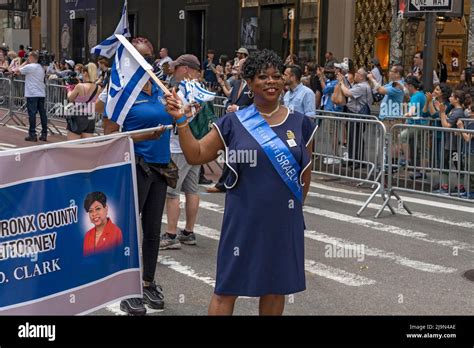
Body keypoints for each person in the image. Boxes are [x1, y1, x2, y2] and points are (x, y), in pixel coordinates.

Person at [165, 49, 316, 315]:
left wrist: (293, 209)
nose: (271, 82)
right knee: (227, 288)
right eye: (262, 77)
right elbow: (196, 154)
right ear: (249, 83)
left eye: (276, 76)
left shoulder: (301, 123)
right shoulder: (234, 123)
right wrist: (181, 122)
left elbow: (305, 174)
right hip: (244, 218)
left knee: (275, 286)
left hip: (284, 220)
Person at [104, 37, 173, 315]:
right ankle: (126, 288)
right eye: (142, 56)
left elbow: (172, 120)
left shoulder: (158, 88)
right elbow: (109, 135)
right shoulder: (121, 93)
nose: (149, 61)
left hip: (160, 167)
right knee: (130, 230)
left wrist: (182, 113)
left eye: (151, 55)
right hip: (135, 165)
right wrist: (146, 134)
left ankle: (148, 282)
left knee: (153, 230)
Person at [160, 54, 207, 250]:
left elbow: (178, 116)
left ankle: (171, 234)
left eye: (177, 67)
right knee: (191, 189)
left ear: (186, 69)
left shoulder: (185, 91)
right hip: (196, 145)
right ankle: (188, 231)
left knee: (172, 192)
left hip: (179, 145)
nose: (174, 70)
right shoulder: (202, 90)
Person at [338, 68, 373, 165]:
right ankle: (354, 159)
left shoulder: (362, 86)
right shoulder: (361, 85)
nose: (355, 75)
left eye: (357, 74)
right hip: (356, 115)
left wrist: (341, 83)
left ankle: (356, 160)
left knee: (355, 138)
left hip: (357, 115)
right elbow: (349, 89)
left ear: (361, 76)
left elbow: (347, 93)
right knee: (354, 138)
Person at [435, 90, 468, 195]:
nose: (449, 98)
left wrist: (441, 112)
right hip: (450, 143)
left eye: (452, 96)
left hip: (453, 145)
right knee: (453, 163)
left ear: (457, 99)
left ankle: (450, 187)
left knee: (453, 164)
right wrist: (441, 111)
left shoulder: (457, 111)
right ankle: (458, 186)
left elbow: (446, 125)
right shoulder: (455, 110)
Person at [13, 51, 48, 142]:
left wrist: (25, 63)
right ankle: (44, 134)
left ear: (32, 57)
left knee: (32, 114)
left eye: (28, 57)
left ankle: (32, 134)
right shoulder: (41, 67)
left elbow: (16, 71)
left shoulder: (30, 66)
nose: (27, 58)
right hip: (41, 93)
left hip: (32, 93)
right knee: (42, 113)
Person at [398, 76, 427, 167]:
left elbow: (412, 110)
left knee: (401, 136)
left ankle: (407, 160)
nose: (405, 88)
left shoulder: (416, 96)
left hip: (419, 124)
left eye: (406, 86)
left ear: (410, 86)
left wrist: (407, 114)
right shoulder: (419, 94)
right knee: (419, 148)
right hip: (420, 124)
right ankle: (415, 165)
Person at [83, 192, 123, 256]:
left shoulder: (116, 232)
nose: (94, 214)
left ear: (106, 209)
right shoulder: (87, 235)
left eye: (98, 209)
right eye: (91, 211)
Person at [66, 63, 99, 140]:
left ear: (85, 73)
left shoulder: (80, 86)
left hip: (78, 116)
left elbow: (70, 98)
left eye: (82, 72)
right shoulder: (98, 87)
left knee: (72, 146)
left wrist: (69, 89)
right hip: (91, 117)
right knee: (87, 145)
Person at [457, 115, 474, 199]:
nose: (468, 111)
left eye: (470, 110)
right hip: (467, 151)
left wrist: (461, 127)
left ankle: (472, 192)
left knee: (472, 173)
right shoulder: (469, 123)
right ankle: (470, 191)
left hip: (472, 152)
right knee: (469, 172)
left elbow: (467, 138)